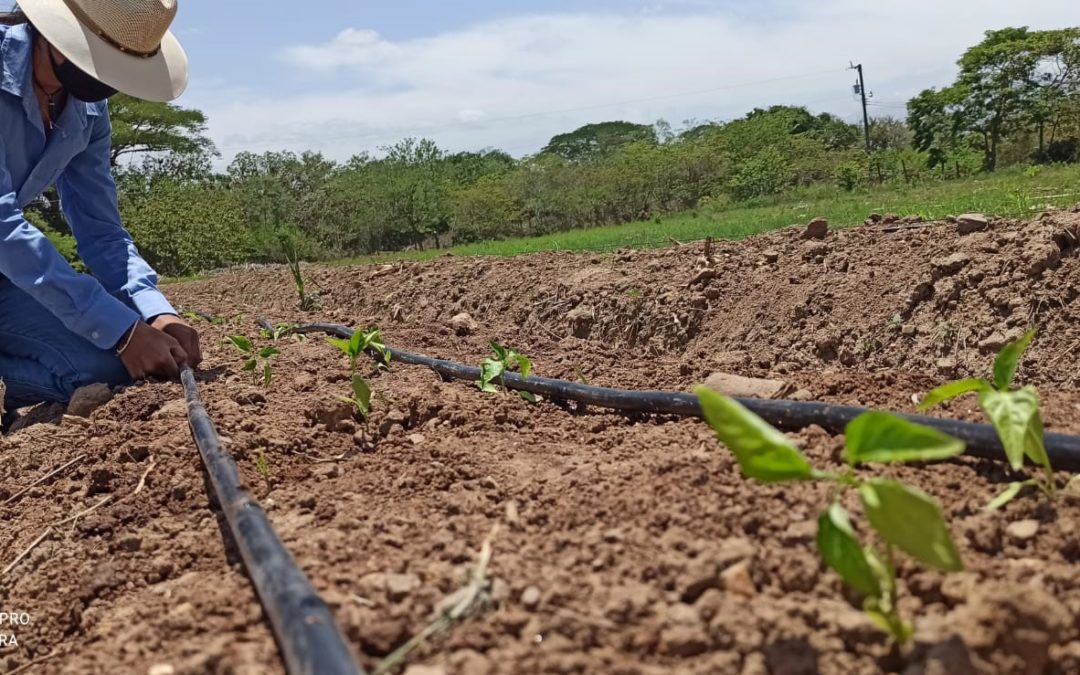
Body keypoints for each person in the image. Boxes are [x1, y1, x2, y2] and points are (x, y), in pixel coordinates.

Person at [0, 0, 200, 414]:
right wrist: (124, 331)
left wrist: (153, 310)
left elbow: (101, 230)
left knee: (104, 368)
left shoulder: (87, 110)